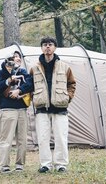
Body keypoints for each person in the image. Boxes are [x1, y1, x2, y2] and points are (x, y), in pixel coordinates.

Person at [30, 37, 76, 173]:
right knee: (43, 138)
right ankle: (46, 164)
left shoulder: (65, 67)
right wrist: (35, 98)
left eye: (50, 45)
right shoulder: (34, 68)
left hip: (60, 108)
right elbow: (29, 86)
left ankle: (61, 164)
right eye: (45, 45)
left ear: (55, 47)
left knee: (61, 137)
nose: (47, 47)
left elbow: (72, 84)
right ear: (41, 48)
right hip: (41, 108)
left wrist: (68, 97)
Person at [0, 51, 33, 173]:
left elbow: (30, 85)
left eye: (19, 58)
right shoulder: (0, 73)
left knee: (22, 139)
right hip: (8, 109)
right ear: (7, 60)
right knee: (6, 139)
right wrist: (8, 80)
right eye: (14, 58)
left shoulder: (23, 72)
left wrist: (19, 90)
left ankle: (20, 165)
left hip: (22, 109)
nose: (17, 60)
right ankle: (4, 166)